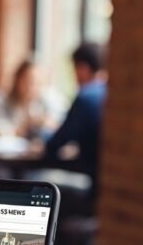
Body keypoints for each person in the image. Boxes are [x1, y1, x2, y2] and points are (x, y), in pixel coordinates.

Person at [43, 43, 107, 184]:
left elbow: (55, 144)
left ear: (82, 68)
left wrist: (44, 137)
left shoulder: (86, 96)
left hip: (90, 179)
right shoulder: (108, 91)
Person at [0, 60, 65, 141]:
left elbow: (61, 125)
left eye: (37, 83)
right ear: (17, 79)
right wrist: (22, 128)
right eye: (28, 81)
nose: (31, 87)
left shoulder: (49, 98)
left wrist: (45, 123)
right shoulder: (0, 99)